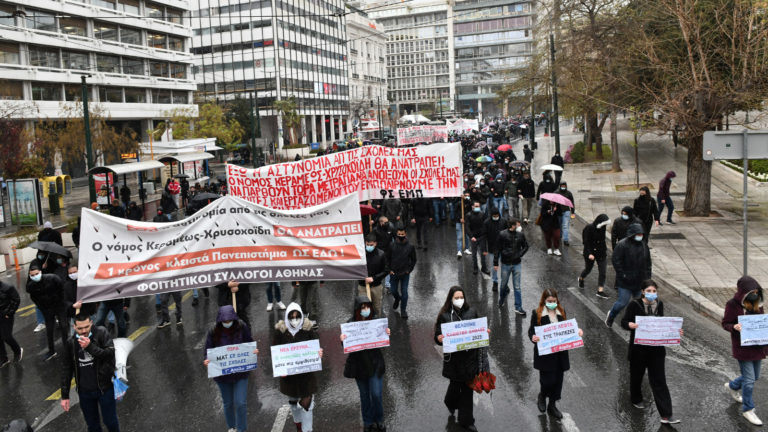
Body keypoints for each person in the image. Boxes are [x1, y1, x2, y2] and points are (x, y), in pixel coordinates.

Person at [621, 279, 682, 425]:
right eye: (649, 291)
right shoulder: (634, 305)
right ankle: (636, 398)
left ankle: (666, 414)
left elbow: (663, 324)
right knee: (636, 377)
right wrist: (630, 325)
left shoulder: (659, 304)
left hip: (656, 351)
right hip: (638, 350)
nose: (652, 294)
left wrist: (675, 331)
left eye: (654, 291)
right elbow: (623, 322)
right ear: (642, 292)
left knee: (659, 381)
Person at [434, 286, 487, 432]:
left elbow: (479, 330)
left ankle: (466, 421)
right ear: (451, 299)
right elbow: (437, 334)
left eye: (461, 297)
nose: (459, 300)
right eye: (456, 298)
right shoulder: (444, 316)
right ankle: (449, 402)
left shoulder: (472, 312)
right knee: (454, 387)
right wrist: (439, 338)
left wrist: (484, 331)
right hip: (454, 362)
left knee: (467, 391)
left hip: (470, 359)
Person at [528, 288, 583, 420]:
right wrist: (533, 337)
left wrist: (577, 332)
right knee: (548, 381)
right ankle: (542, 395)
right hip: (546, 355)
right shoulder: (537, 313)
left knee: (558, 381)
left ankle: (552, 405)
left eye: (554, 301)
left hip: (560, 354)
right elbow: (531, 331)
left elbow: (567, 330)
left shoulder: (562, 312)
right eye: (549, 301)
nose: (552, 303)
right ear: (544, 300)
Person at [60, 312, 119, 432]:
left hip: (104, 388)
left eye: (86, 327)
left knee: (110, 422)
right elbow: (66, 369)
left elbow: (109, 354)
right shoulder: (71, 343)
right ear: (74, 327)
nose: (83, 331)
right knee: (92, 426)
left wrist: (89, 347)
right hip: (85, 392)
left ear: (91, 323)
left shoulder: (101, 333)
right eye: (80, 328)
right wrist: (65, 395)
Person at [203, 305, 258, 432]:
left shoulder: (241, 327)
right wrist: (207, 360)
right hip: (222, 376)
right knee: (228, 403)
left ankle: (242, 429)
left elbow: (249, 342)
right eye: (224, 321)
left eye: (229, 321)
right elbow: (207, 350)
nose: (227, 323)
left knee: (240, 403)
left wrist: (253, 351)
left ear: (234, 319)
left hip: (240, 374)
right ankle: (232, 427)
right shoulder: (213, 331)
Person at [723, 276, 767, 426]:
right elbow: (725, 323)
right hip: (742, 348)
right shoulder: (732, 304)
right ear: (743, 292)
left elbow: (760, 322)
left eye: (756, 291)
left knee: (754, 377)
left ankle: (733, 386)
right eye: (751, 291)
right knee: (749, 381)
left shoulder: (757, 303)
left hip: (757, 346)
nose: (754, 294)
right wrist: (733, 327)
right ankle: (748, 409)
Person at [341, 296, 390, 432]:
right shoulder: (350, 324)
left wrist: (386, 333)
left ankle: (379, 419)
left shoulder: (375, 321)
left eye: (368, 307)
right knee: (364, 395)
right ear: (357, 309)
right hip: (359, 367)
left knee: (376, 393)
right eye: (363, 307)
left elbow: (382, 340)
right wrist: (343, 340)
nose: (366, 310)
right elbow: (346, 346)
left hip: (375, 365)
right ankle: (368, 421)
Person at [273, 303, 323, 432]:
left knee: (307, 405)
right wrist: (280, 368)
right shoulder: (280, 332)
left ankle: (307, 429)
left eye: (297, 316)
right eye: (291, 317)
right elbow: (274, 352)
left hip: (306, 378)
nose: (294, 320)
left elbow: (316, 346)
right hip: (289, 378)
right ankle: (298, 426)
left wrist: (319, 352)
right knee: (294, 405)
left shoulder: (308, 329)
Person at [605, 224, 652, 327]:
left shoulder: (644, 245)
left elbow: (648, 263)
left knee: (639, 305)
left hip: (640, 282)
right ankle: (611, 315)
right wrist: (623, 275)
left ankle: (638, 326)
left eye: (641, 234)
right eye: (638, 234)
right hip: (625, 282)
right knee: (622, 303)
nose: (640, 236)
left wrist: (648, 280)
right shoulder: (622, 245)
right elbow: (616, 261)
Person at [26, 265, 67, 361]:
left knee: (64, 327)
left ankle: (67, 348)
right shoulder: (31, 286)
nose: (35, 276)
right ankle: (51, 351)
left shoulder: (53, 278)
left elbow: (62, 290)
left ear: (40, 272)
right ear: (30, 275)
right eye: (33, 275)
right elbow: (34, 298)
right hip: (47, 309)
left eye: (37, 274)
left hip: (59, 306)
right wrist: (43, 308)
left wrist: (61, 304)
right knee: (49, 330)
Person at [493, 218, 529, 315]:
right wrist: (495, 263)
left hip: (517, 264)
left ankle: (518, 307)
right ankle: (502, 299)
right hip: (506, 264)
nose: (519, 226)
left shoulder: (520, 235)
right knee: (503, 284)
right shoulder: (502, 235)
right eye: (517, 225)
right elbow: (497, 249)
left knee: (517, 287)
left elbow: (526, 246)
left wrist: (520, 254)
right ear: (513, 226)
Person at [387, 226, 417, 319]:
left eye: (402, 234)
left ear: (405, 234)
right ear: (396, 234)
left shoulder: (410, 246)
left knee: (405, 293)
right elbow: (387, 258)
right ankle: (397, 298)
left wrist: (409, 270)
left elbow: (414, 260)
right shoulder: (391, 245)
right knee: (393, 290)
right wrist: (389, 270)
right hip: (394, 273)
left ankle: (403, 310)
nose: (401, 235)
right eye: (399, 234)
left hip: (405, 273)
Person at [579, 214, 611, 299]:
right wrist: (589, 253)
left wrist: (604, 250)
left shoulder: (602, 228)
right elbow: (586, 242)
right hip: (590, 253)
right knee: (588, 269)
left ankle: (600, 291)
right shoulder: (588, 228)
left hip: (601, 252)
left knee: (603, 271)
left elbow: (602, 240)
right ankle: (581, 278)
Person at [359, 234, 388, 317]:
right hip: (363, 286)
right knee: (364, 309)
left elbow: (386, 270)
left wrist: (374, 278)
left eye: (371, 245)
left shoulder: (381, 254)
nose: (369, 247)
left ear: (375, 243)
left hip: (376, 287)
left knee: (377, 307)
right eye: (367, 245)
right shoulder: (361, 254)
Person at [484, 208, 508, 291]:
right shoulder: (487, 223)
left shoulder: (504, 221)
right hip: (492, 248)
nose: (495, 217)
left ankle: (504, 283)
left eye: (497, 216)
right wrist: (484, 248)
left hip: (503, 248)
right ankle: (495, 282)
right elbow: (484, 235)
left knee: (504, 267)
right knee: (494, 267)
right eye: (494, 216)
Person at [0, 280, 22, 367]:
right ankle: (3, 358)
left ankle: (17, 350)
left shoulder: (7, 287)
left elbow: (16, 300)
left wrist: (9, 313)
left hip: (6, 316)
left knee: (7, 336)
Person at [465, 201, 489, 276]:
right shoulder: (468, 215)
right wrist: (471, 236)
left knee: (483, 254)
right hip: (473, 238)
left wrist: (484, 235)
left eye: (478, 206)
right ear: (472, 206)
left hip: (482, 237)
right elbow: (467, 227)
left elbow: (485, 225)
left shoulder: (482, 214)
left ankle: (484, 268)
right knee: (474, 254)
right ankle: (475, 268)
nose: (477, 207)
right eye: (476, 206)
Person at [556, 181, 575, 246]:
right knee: (559, 225)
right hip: (558, 212)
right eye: (562, 186)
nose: (563, 187)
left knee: (565, 226)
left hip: (566, 211)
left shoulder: (569, 193)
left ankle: (565, 239)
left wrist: (573, 212)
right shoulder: (557, 193)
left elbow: (572, 203)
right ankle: (560, 235)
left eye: (564, 186)